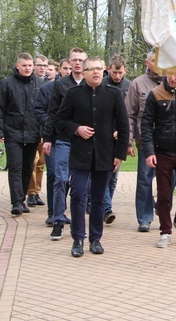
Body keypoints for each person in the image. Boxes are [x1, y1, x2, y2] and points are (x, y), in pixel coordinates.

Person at [54, 57, 129, 257]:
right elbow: (60, 120)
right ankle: (78, 238)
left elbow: (123, 126)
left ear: (103, 71)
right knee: (78, 194)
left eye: (98, 69)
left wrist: (120, 154)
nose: (95, 72)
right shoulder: (73, 94)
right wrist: (76, 129)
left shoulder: (114, 94)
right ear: (83, 72)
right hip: (80, 154)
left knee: (98, 199)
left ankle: (96, 239)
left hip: (105, 155)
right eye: (90, 69)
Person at [141, 65, 176, 248]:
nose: (173, 78)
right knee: (164, 195)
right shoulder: (155, 94)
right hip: (162, 151)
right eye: (170, 74)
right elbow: (146, 125)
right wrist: (149, 152)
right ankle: (165, 231)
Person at [43, 48, 88, 239]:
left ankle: (80, 225)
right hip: (63, 139)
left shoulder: (91, 84)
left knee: (82, 186)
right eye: (74, 60)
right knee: (60, 179)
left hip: (85, 142)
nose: (77, 63)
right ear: (69, 62)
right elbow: (52, 113)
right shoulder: (60, 85)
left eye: (81, 60)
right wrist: (47, 138)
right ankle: (58, 219)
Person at [0, 52, 44, 215]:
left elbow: (44, 109)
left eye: (30, 66)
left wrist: (44, 131)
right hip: (12, 132)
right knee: (15, 167)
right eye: (24, 65)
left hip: (33, 132)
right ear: (18, 66)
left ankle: (21, 198)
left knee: (28, 167)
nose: (27, 68)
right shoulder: (7, 84)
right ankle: (16, 202)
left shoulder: (40, 84)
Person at [125, 50, 164, 232]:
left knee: (169, 181)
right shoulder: (137, 84)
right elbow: (129, 114)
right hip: (145, 141)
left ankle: (161, 207)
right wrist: (128, 141)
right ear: (147, 62)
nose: (158, 63)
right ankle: (144, 217)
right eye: (154, 60)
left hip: (168, 143)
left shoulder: (172, 82)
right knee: (145, 180)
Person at [101, 54, 132, 224]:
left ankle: (106, 203)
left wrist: (124, 134)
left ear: (125, 71)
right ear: (108, 69)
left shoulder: (129, 86)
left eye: (120, 72)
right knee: (103, 174)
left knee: (113, 175)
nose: (117, 76)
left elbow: (130, 114)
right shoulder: (102, 84)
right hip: (103, 135)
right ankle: (105, 208)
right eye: (114, 72)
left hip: (120, 136)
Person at [26, 54, 50, 208]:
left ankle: (37, 191)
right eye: (39, 65)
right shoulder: (30, 83)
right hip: (31, 128)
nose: (42, 68)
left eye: (44, 66)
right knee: (32, 162)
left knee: (41, 163)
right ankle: (30, 191)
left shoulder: (46, 84)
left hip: (44, 129)